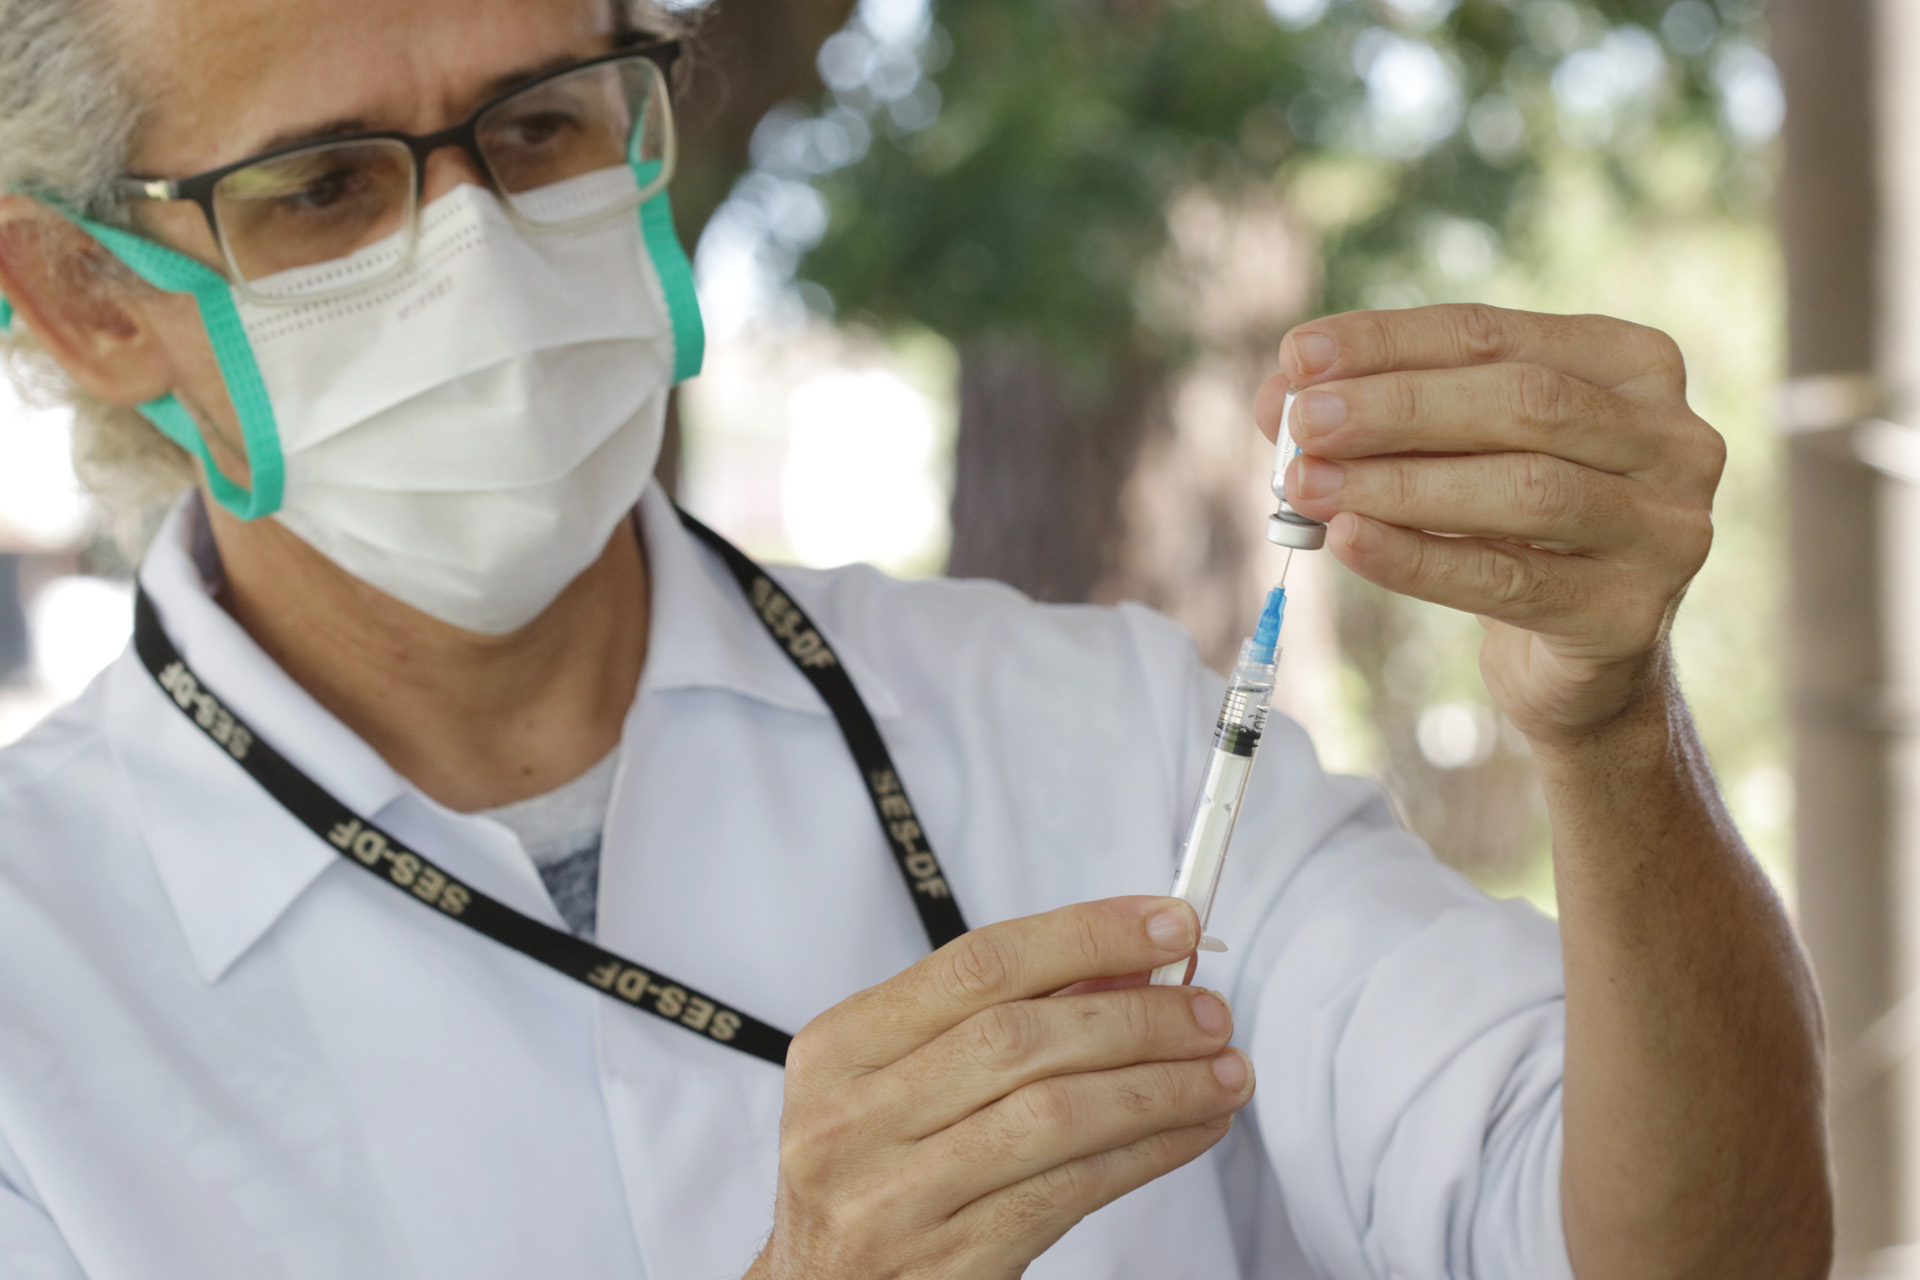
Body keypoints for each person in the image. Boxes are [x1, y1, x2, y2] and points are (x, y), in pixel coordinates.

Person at [0, 0, 1829, 1277]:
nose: (475, 250)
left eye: (539, 123)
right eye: (325, 185)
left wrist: (1608, 732)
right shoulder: (35, 987)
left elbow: (1702, 1254)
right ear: (86, 300)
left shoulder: (1093, 728)